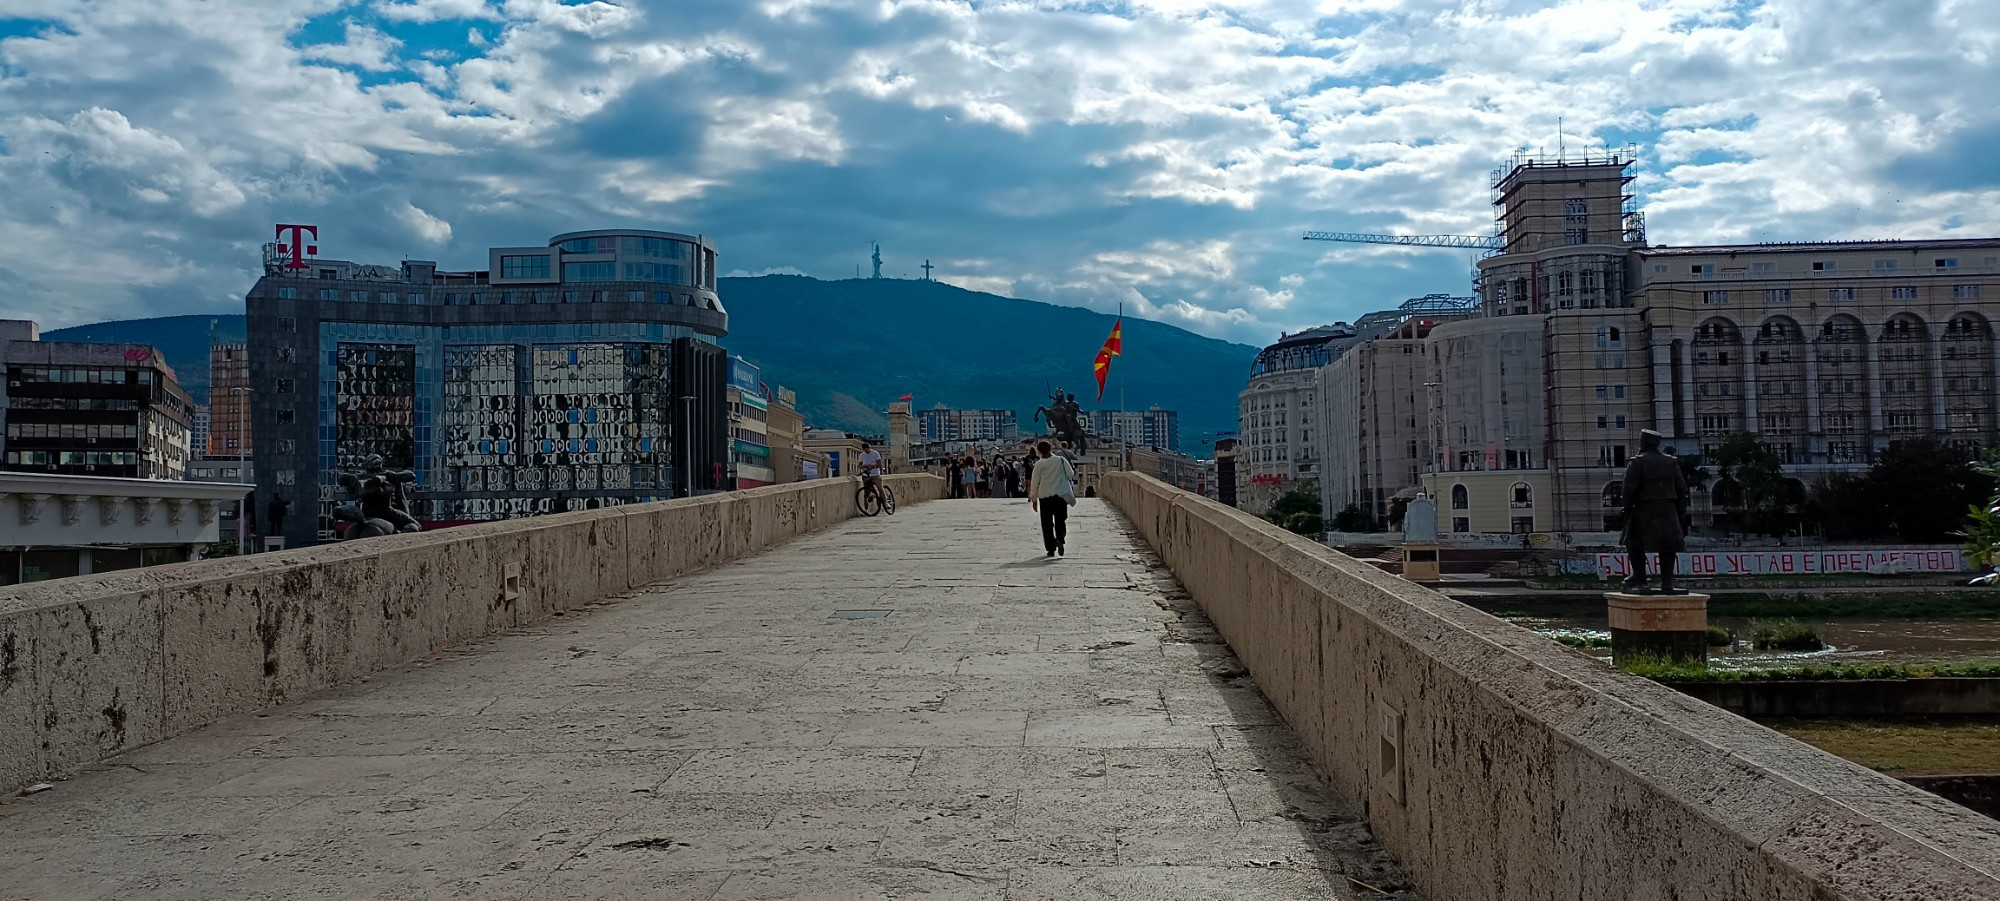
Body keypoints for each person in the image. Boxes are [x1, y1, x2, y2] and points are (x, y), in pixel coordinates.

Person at [1621, 429, 1691, 593]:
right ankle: (1667, 583)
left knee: (1634, 543)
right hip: (1668, 509)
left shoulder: (1637, 462)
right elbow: (1681, 489)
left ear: (1643, 443)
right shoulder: (1671, 462)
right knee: (1668, 546)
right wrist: (1681, 511)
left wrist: (1626, 508)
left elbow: (1628, 489)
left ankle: (1641, 580)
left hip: (1643, 509)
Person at [1028, 440, 1077, 557]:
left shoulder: (1039, 464)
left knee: (1047, 524)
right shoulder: (1060, 460)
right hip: (1060, 496)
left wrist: (1034, 500)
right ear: (1051, 449)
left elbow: (1034, 483)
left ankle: (1050, 548)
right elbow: (1070, 474)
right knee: (1060, 520)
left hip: (1045, 498)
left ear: (1039, 451)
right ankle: (1060, 539)